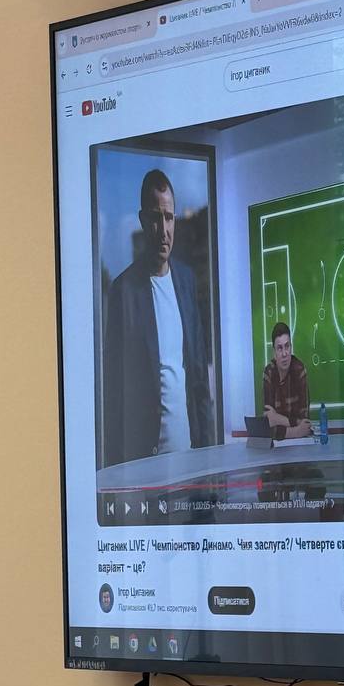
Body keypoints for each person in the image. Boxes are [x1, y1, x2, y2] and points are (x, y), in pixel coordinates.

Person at [102, 169, 214, 466]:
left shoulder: (186, 281)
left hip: (190, 460)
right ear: (142, 220)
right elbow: (114, 393)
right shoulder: (124, 291)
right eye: (155, 218)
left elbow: (199, 379)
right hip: (145, 464)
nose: (163, 229)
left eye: (169, 217)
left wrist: (207, 456)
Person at [262, 322, 312, 438]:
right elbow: (268, 425)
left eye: (287, 346)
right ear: (274, 352)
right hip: (277, 446)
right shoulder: (269, 373)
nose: (284, 353)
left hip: (300, 445)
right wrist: (296, 431)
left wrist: (278, 419)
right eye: (279, 348)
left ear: (291, 347)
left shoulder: (299, 370)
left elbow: (305, 424)